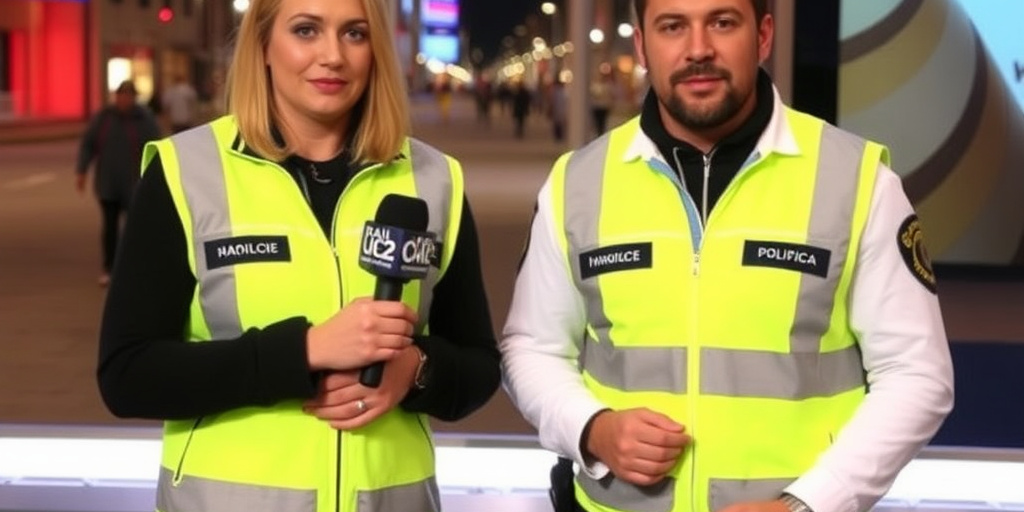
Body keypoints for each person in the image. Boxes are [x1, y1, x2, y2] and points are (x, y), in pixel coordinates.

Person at [499, 1, 954, 512]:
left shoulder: (857, 181)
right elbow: (531, 349)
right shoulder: (576, 183)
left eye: (722, 22)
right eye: (673, 27)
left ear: (762, 36)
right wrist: (591, 429)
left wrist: (807, 503)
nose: (698, 49)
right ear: (644, 45)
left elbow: (917, 375)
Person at [95, 0, 500, 510]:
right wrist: (304, 351)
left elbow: (480, 365)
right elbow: (127, 375)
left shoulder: (435, 179)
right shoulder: (185, 172)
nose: (332, 55)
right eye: (306, 30)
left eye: (354, 34)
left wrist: (415, 371)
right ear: (263, 45)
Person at [75, 80, 161, 286]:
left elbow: (157, 148)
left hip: (135, 185)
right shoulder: (104, 118)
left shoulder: (145, 119)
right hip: (108, 184)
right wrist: (82, 170)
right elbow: (88, 144)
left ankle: (134, 268)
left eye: (128, 96)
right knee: (110, 228)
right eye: (121, 95)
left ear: (134, 98)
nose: (124, 100)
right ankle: (109, 268)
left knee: (134, 229)